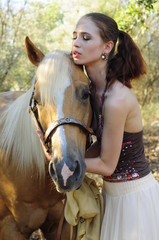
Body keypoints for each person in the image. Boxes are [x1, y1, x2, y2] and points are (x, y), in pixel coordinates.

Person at [71, 12, 159, 240]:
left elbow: (107, 165)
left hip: (133, 202)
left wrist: (62, 163)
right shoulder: (94, 90)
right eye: (75, 36)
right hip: (111, 196)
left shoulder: (117, 98)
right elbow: (102, 144)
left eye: (86, 37)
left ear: (107, 47)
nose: (76, 43)